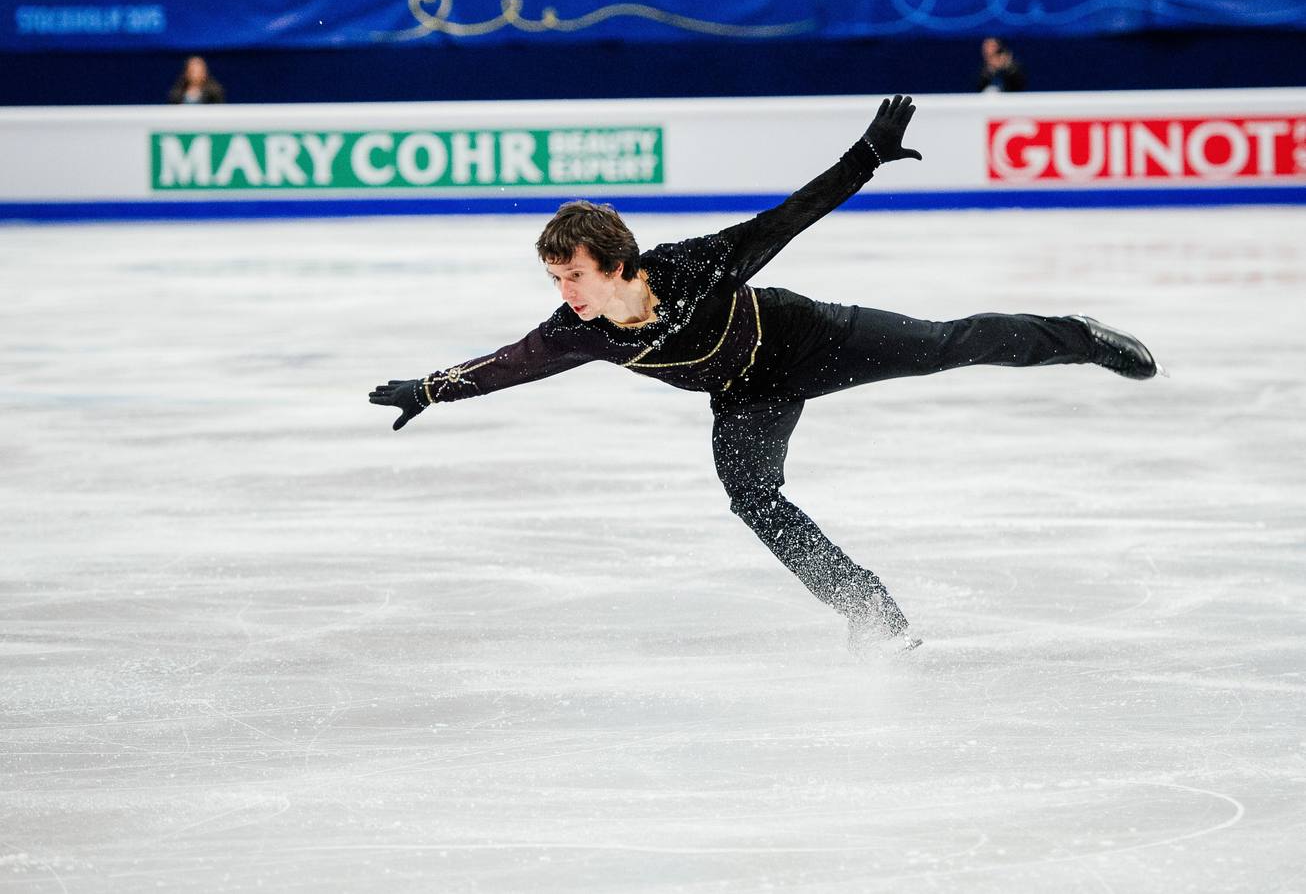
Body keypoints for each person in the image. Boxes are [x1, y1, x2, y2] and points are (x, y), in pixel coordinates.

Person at [369, 95, 1157, 656]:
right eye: (554, 281)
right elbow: (509, 364)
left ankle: (1075, 336)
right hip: (746, 392)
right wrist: (428, 389)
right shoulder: (577, 334)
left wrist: (866, 158)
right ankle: (870, 611)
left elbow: (787, 218)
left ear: (620, 265)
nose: (565, 293)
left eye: (572, 275)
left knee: (949, 342)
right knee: (752, 496)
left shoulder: (695, 266)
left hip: (809, 335)